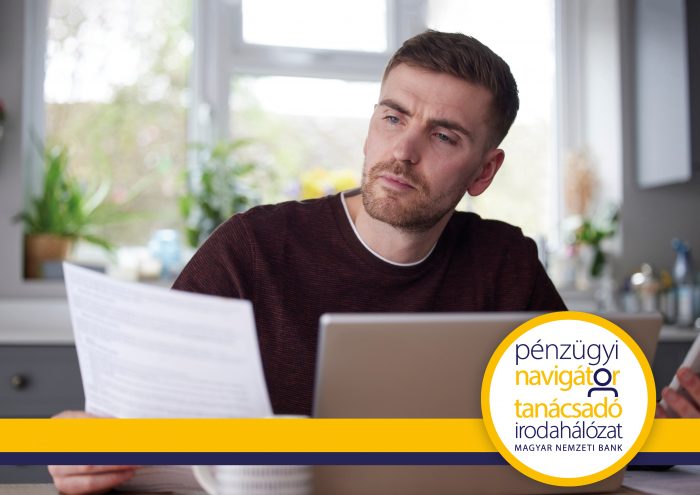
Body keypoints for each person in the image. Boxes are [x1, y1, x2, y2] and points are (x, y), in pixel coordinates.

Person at [47, 29, 700, 494]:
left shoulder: (505, 262)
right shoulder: (252, 248)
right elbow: (128, 426)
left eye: (443, 135)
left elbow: (577, 436)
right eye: (393, 117)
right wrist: (80, 452)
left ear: (484, 171)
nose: (403, 151)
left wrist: (662, 434)